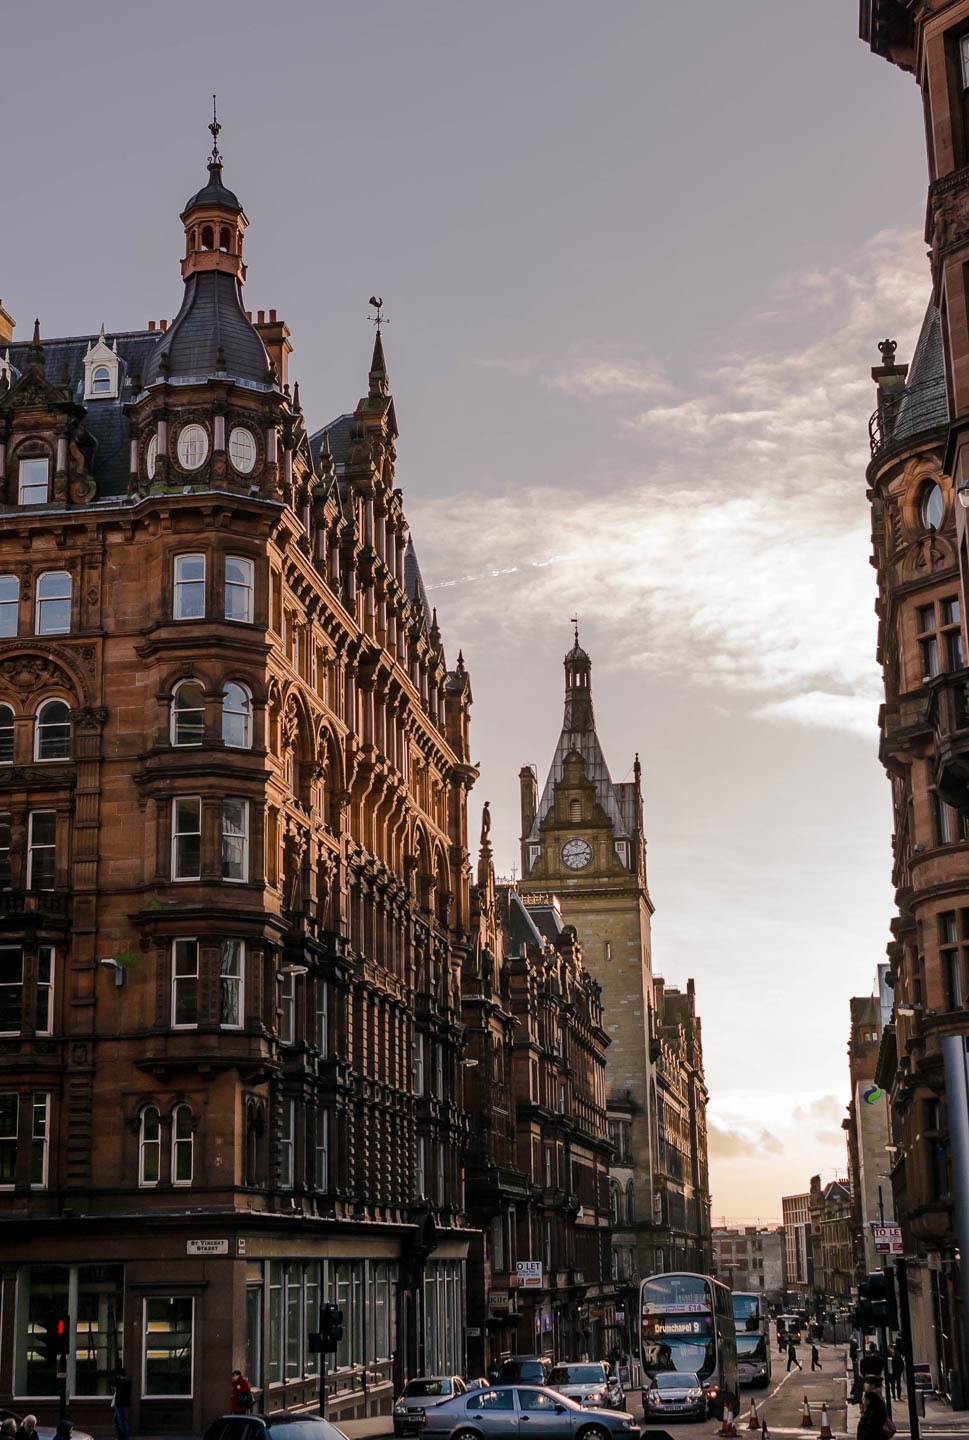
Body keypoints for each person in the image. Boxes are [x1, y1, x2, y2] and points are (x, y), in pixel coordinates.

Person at [113, 1366, 132, 1440]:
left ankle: (124, 1438)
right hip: (120, 1405)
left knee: (121, 1423)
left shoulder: (124, 1382)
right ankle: (121, 1437)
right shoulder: (125, 1381)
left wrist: (119, 1379)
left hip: (122, 1405)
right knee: (117, 1422)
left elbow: (115, 1385)